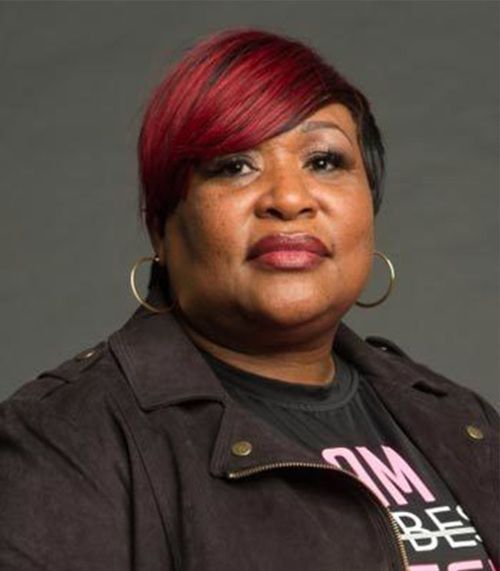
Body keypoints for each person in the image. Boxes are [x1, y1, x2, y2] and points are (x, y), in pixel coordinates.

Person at [0, 27, 497, 571]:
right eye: (234, 165)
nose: (289, 198)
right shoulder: (62, 440)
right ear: (161, 227)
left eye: (324, 161)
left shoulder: (460, 421)